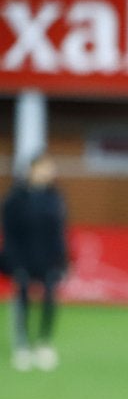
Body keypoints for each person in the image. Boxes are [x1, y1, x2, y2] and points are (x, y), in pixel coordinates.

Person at [3, 153, 68, 372]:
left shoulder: (55, 198)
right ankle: (22, 346)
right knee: (22, 301)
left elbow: (59, 232)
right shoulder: (15, 198)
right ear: (31, 170)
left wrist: (62, 260)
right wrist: (11, 260)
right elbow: (9, 233)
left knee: (49, 300)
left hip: (48, 259)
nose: (48, 172)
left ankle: (44, 343)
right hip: (22, 258)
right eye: (43, 168)